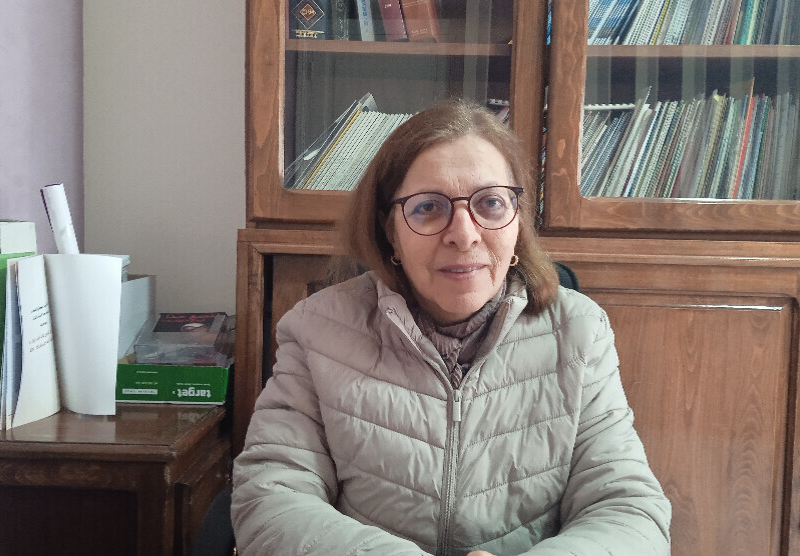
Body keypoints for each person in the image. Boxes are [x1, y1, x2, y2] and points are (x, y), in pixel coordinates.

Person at [231, 99, 671, 555]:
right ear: (390, 231)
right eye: (428, 207)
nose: (464, 233)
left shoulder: (580, 332)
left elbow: (628, 511)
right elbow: (270, 500)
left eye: (491, 203)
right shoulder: (317, 329)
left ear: (517, 221)